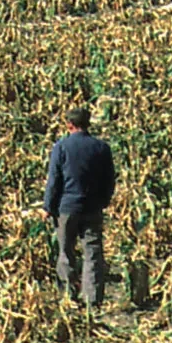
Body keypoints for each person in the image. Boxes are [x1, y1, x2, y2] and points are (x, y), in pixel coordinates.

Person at [43, 106, 115, 306]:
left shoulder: (62, 147)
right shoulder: (101, 148)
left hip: (66, 209)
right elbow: (109, 181)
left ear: (69, 124)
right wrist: (103, 202)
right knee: (92, 253)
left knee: (66, 252)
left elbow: (54, 179)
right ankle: (92, 300)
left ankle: (69, 295)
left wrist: (48, 206)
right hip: (92, 209)